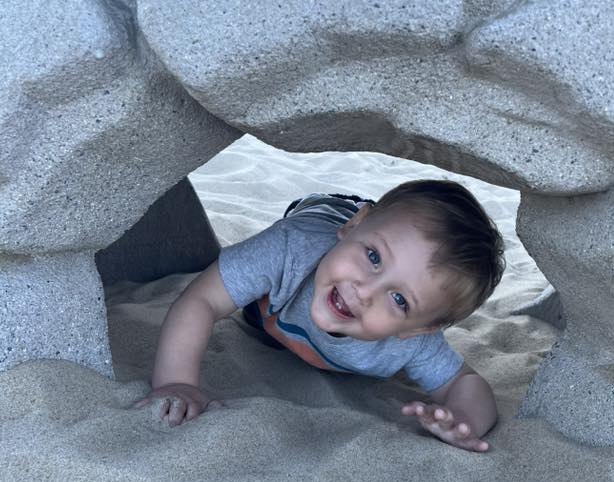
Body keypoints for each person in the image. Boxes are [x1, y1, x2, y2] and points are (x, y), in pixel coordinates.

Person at [134, 179, 505, 453]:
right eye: (373, 257)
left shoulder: (412, 343)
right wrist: (177, 382)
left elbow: (466, 384)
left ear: (422, 327)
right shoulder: (288, 250)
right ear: (354, 228)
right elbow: (201, 299)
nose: (364, 290)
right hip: (322, 212)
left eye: (398, 299)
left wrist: (462, 420)